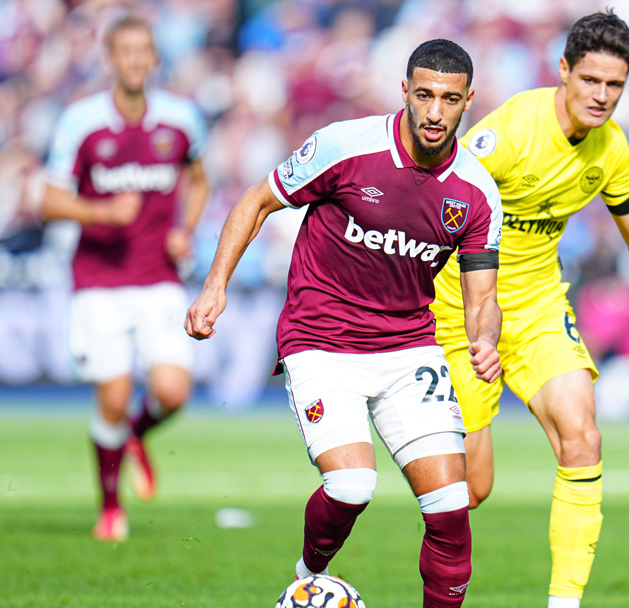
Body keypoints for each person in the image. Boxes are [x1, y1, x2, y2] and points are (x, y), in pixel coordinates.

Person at [429, 11, 629, 608]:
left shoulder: (611, 150)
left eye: (615, 86)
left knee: (583, 437)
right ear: (563, 72)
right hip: (458, 312)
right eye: (591, 82)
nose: (602, 97)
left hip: (537, 308)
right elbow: (433, 206)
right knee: (470, 491)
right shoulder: (509, 134)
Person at [186, 40, 502, 608]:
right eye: (424, 95)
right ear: (404, 91)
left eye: (449, 100)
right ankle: (307, 578)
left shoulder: (477, 191)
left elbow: (483, 297)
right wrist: (215, 287)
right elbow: (258, 201)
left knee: (451, 505)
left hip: (409, 348)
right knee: (352, 486)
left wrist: (484, 339)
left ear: (468, 101)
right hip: (321, 341)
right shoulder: (345, 145)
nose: (434, 113)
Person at [40, 15, 210, 542]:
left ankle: (135, 437)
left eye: (144, 51)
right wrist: (102, 214)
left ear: (155, 59)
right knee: (111, 398)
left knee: (173, 391)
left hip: (158, 277)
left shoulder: (182, 119)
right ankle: (111, 507)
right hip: (98, 280)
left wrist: (185, 228)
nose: (135, 60)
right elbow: (48, 200)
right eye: (125, 51)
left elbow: (200, 180)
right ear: (110, 59)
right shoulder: (80, 122)